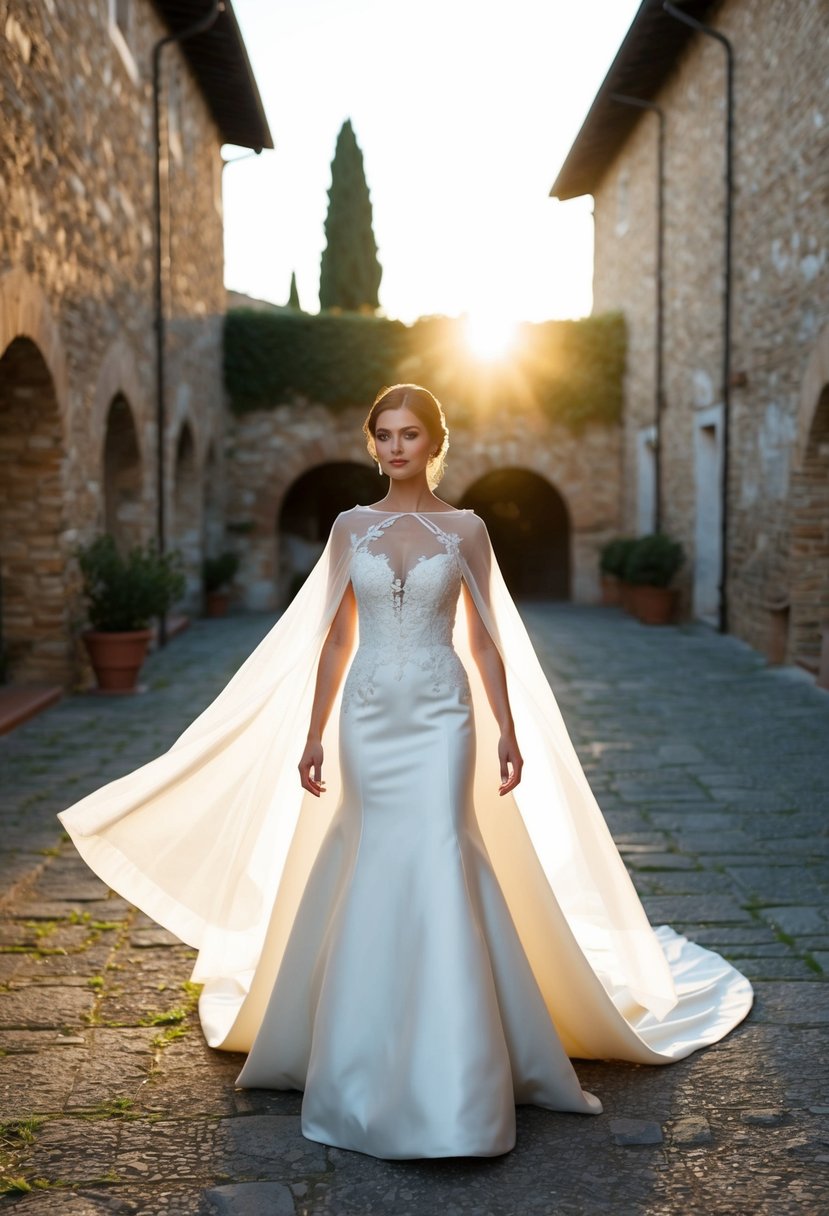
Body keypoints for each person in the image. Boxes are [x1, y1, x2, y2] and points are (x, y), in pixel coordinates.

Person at [58, 383, 753, 1161]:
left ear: (434, 442)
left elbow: (487, 640)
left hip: (442, 715)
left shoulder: (467, 530)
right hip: (366, 717)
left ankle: (454, 1068)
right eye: (383, 435)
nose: (395, 448)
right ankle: (362, 1051)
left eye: (409, 434)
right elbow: (330, 639)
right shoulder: (348, 528)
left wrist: (507, 731)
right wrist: (314, 733)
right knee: (373, 856)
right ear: (373, 444)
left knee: (442, 851)